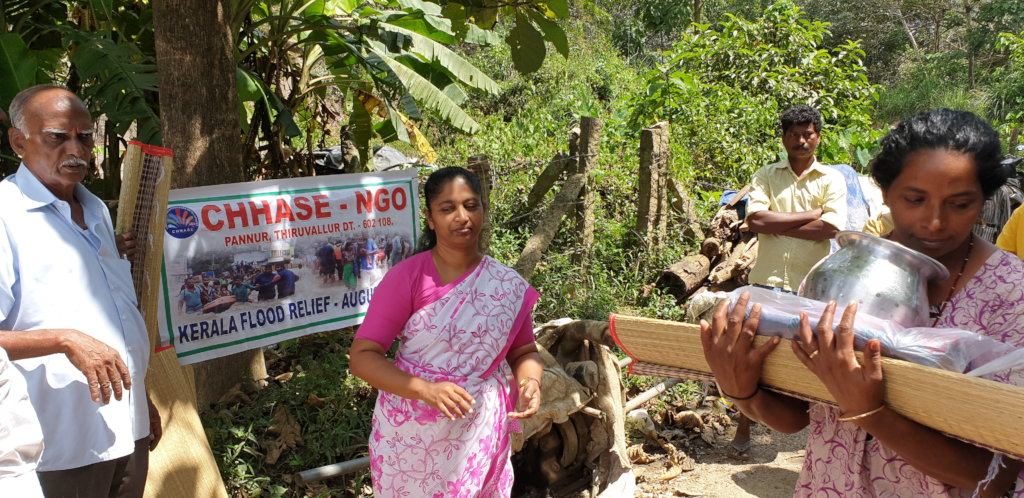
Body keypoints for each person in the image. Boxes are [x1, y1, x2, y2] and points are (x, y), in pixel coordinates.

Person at [700, 109, 1023, 496]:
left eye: (959, 204)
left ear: (984, 200)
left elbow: (993, 477)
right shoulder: (837, 273)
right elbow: (799, 416)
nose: (934, 221)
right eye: (915, 199)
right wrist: (740, 388)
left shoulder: (1010, 294)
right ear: (885, 192)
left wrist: (871, 411)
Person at [0, 85, 161, 496]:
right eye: (57, 136)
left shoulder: (96, 211)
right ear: (19, 142)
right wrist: (62, 340)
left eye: (84, 136)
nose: (76, 148)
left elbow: (116, 315)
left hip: (127, 429)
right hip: (55, 443)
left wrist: (141, 397)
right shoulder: (6, 216)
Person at [349, 167, 543, 496]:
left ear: (483, 209)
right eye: (447, 208)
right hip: (410, 438)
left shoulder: (504, 285)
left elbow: (524, 352)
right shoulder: (408, 278)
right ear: (430, 218)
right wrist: (427, 390)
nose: (461, 217)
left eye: (471, 205)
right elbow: (363, 358)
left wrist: (530, 382)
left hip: (478, 433)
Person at [736, 104, 848, 458]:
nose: (801, 141)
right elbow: (755, 221)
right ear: (784, 138)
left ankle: (813, 433)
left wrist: (779, 220)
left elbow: (830, 228)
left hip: (808, 286)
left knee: (807, 355)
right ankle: (743, 426)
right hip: (766, 279)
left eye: (808, 134)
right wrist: (810, 215)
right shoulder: (766, 174)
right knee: (751, 352)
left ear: (818, 136)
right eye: (794, 134)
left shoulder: (831, 179)